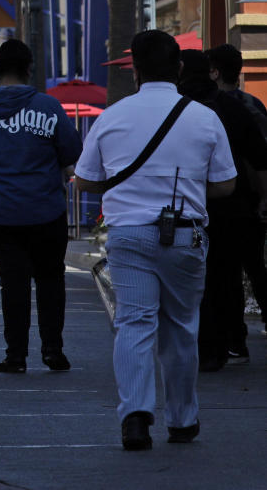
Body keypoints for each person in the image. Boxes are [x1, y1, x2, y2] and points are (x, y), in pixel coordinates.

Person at [74, 30, 237, 451]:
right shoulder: (204, 117)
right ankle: (182, 420)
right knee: (182, 327)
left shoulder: (112, 117)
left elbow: (86, 180)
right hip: (185, 235)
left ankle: (135, 418)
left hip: (128, 235)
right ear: (179, 69)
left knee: (134, 322)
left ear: (136, 72)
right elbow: (226, 184)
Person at [0, 39, 83, 374]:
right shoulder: (49, 108)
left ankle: (16, 355)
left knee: (12, 282)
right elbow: (72, 151)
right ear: (29, 69)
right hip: (46, 210)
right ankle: (53, 350)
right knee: (51, 279)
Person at [176, 50, 267, 370]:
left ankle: (201, 343)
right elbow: (260, 159)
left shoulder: (174, 109)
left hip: (184, 207)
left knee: (188, 278)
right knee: (227, 276)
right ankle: (233, 341)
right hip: (233, 205)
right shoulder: (235, 107)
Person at [207, 43, 267, 337]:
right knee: (257, 268)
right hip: (251, 201)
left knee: (227, 272)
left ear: (215, 72)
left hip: (228, 201)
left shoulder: (214, 108)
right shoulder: (253, 104)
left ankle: (235, 338)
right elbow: (262, 158)